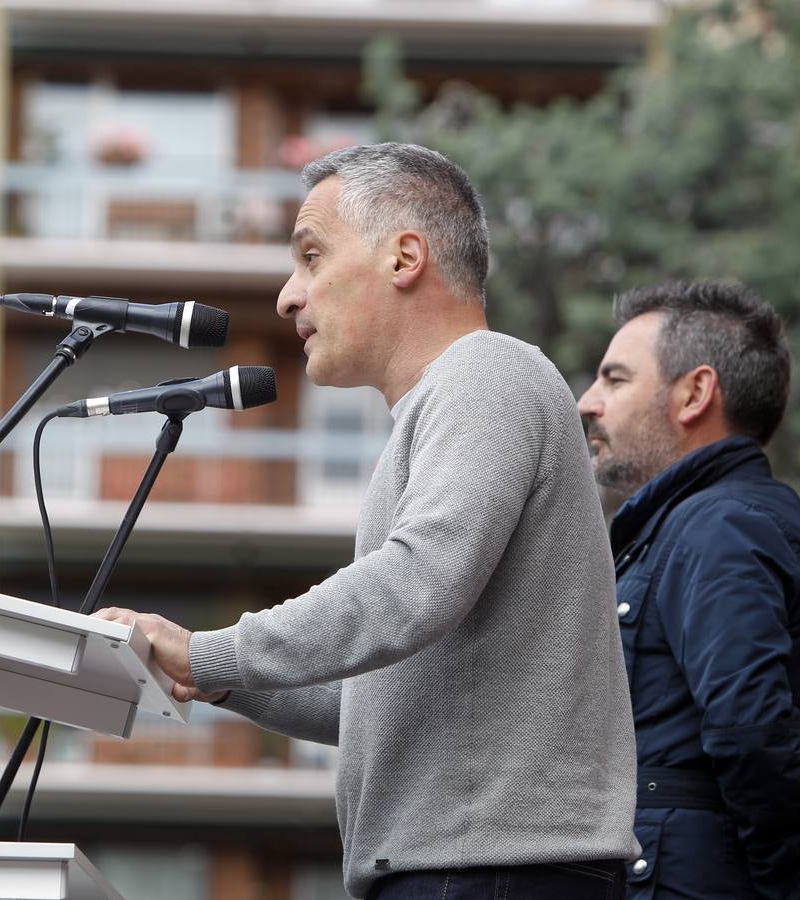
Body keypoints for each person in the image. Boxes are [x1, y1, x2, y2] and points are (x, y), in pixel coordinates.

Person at [96, 142, 638, 899]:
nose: (288, 297)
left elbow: (416, 583)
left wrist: (215, 652)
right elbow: (376, 701)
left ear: (404, 257)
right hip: (470, 867)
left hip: (489, 873)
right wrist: (209, 672)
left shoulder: (488, 374)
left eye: (311, 257)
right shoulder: (446, 407)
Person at [576, 281, 800, 900]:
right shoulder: (687, 526)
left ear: (695, 393)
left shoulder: (722, 522)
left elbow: (750, 726)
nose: (589, 402)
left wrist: (797, 890)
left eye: (615, 380)